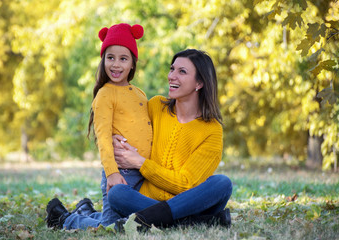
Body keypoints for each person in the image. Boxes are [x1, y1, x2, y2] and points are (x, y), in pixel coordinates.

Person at [108, 49, 232, 230]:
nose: (172, 76)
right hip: (144, 199)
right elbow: (124, 128)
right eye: (172, 69)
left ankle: (155, 219)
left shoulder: (212, 130)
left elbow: (186, 184)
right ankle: (191, 222)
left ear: (199, 83)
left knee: (222, 183)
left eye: (182, 72)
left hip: (189, 203)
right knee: (117, 193)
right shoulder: (155, 106)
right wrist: (115, 138)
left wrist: (141, 163)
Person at [45, 23, 152, 230]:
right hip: (121, 172)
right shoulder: (105, 94)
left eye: (123, 58)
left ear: (132, 64)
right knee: (111, 226)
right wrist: (111, 172)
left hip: (142, 171)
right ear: (103, 60)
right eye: (110, 57)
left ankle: (85, 210)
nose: (116, 64)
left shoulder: (140, 94)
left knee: (129, 221)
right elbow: (103, 137)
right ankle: (63, 219)